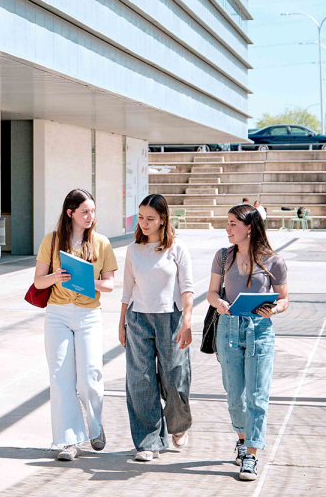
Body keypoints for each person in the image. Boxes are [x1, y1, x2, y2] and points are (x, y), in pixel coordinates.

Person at [33, 189, 120, 461]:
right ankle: (69, 441)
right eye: (85, 211)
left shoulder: (102, 243)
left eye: (93, 211)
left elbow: (109, 284)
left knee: (90, 377)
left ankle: (94, 427)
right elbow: (38, 282)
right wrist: (56, 276)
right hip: (57, 313)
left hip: (88, 315)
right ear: (70, 213)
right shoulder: (52, 241)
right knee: (61, 378)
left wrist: (87, 282)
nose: (90, 217)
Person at [207, 204, 290, 481]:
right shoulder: (222, 256)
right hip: (228, 328)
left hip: (260, 331)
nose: (227, 228)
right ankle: (242, 439)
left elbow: (285, 299)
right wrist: (218, 302)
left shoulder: (274, 261)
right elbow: (210, 293)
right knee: (235, 397)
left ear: (249, 228)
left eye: (233, 224)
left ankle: (251, 456)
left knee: (257, 397)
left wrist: (274, 309)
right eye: (228, 223)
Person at [119, 194, 195, 462]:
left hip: (171, 320)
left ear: (163, 219)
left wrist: (187, 321)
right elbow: (127, 290)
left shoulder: (177, 248)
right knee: (140, 380)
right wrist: (121, 323)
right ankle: (148, 442)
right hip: (138, 318)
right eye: (140, 218)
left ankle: (178, 425)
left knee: (175, 377)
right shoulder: (133, 250)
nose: (144, 223)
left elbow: (187, 288)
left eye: (150, 218)